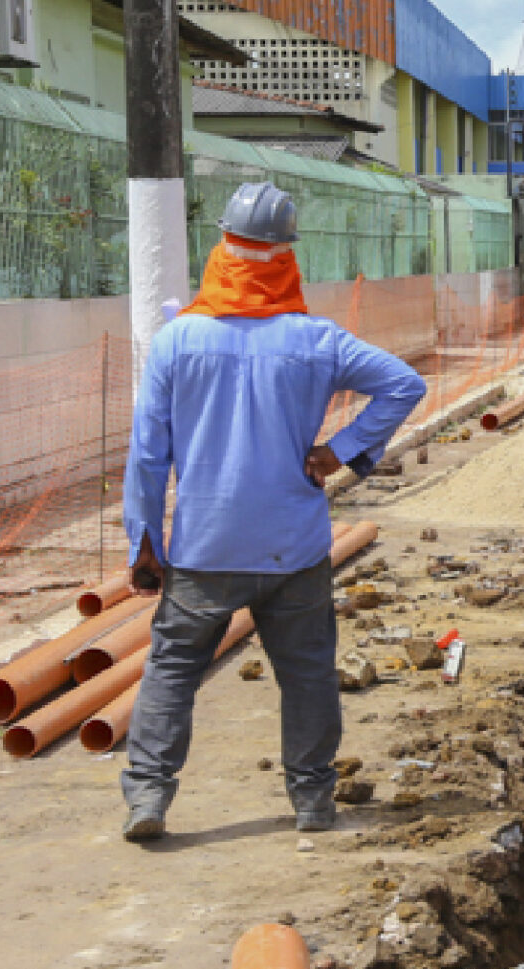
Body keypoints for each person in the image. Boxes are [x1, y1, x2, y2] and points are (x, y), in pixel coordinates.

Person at [119, 182, 426, 842]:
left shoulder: (177, 341)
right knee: (308, 672)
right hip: (294, 546)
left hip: (205, 546)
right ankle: (313, 800)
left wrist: (143, 540)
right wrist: (341, 450)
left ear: (221, 248)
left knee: (172, 668)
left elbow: (147, 453)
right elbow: (404, 384)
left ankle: (148, 796)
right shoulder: (317, 340)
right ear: (288, 255)